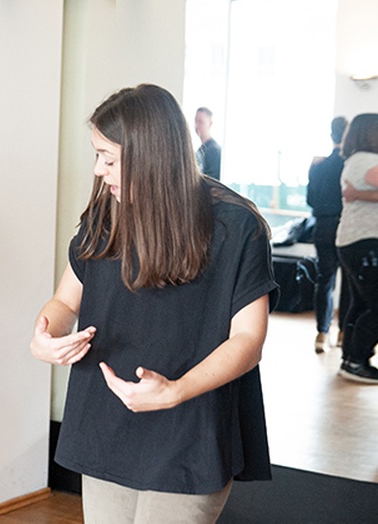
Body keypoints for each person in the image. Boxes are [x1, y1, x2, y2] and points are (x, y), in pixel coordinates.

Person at [30, 84, 277, 523]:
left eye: (109, 158)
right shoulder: (104, 216)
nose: (98, 170)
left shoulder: (236, 227)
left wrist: (176, 391)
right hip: (107, 421)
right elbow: (65, 301)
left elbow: (248, 339)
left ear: (152, 154)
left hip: (190, 429)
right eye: (97, 155)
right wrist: (46, 335)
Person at [335, 113, 378, 384]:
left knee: (361, 303)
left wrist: (361, 195)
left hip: (353, 241)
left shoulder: (355, 159)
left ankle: (350, 359)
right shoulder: (367, 160)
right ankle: (356, 360)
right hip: (365, 242)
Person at [306, 116, 349, 353]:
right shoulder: (350, 165)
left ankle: (321, 333)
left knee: (324, 280)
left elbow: (310, 199)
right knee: (350, 283)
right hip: (345, 226)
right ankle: (343, 332)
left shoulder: (318, 165)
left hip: (322, 227)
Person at [195, 107, 222, 180]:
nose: (196, 125)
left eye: (200, 122)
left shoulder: (214, 150)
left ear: (210, 124)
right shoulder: (200, 150)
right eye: (196, 121)